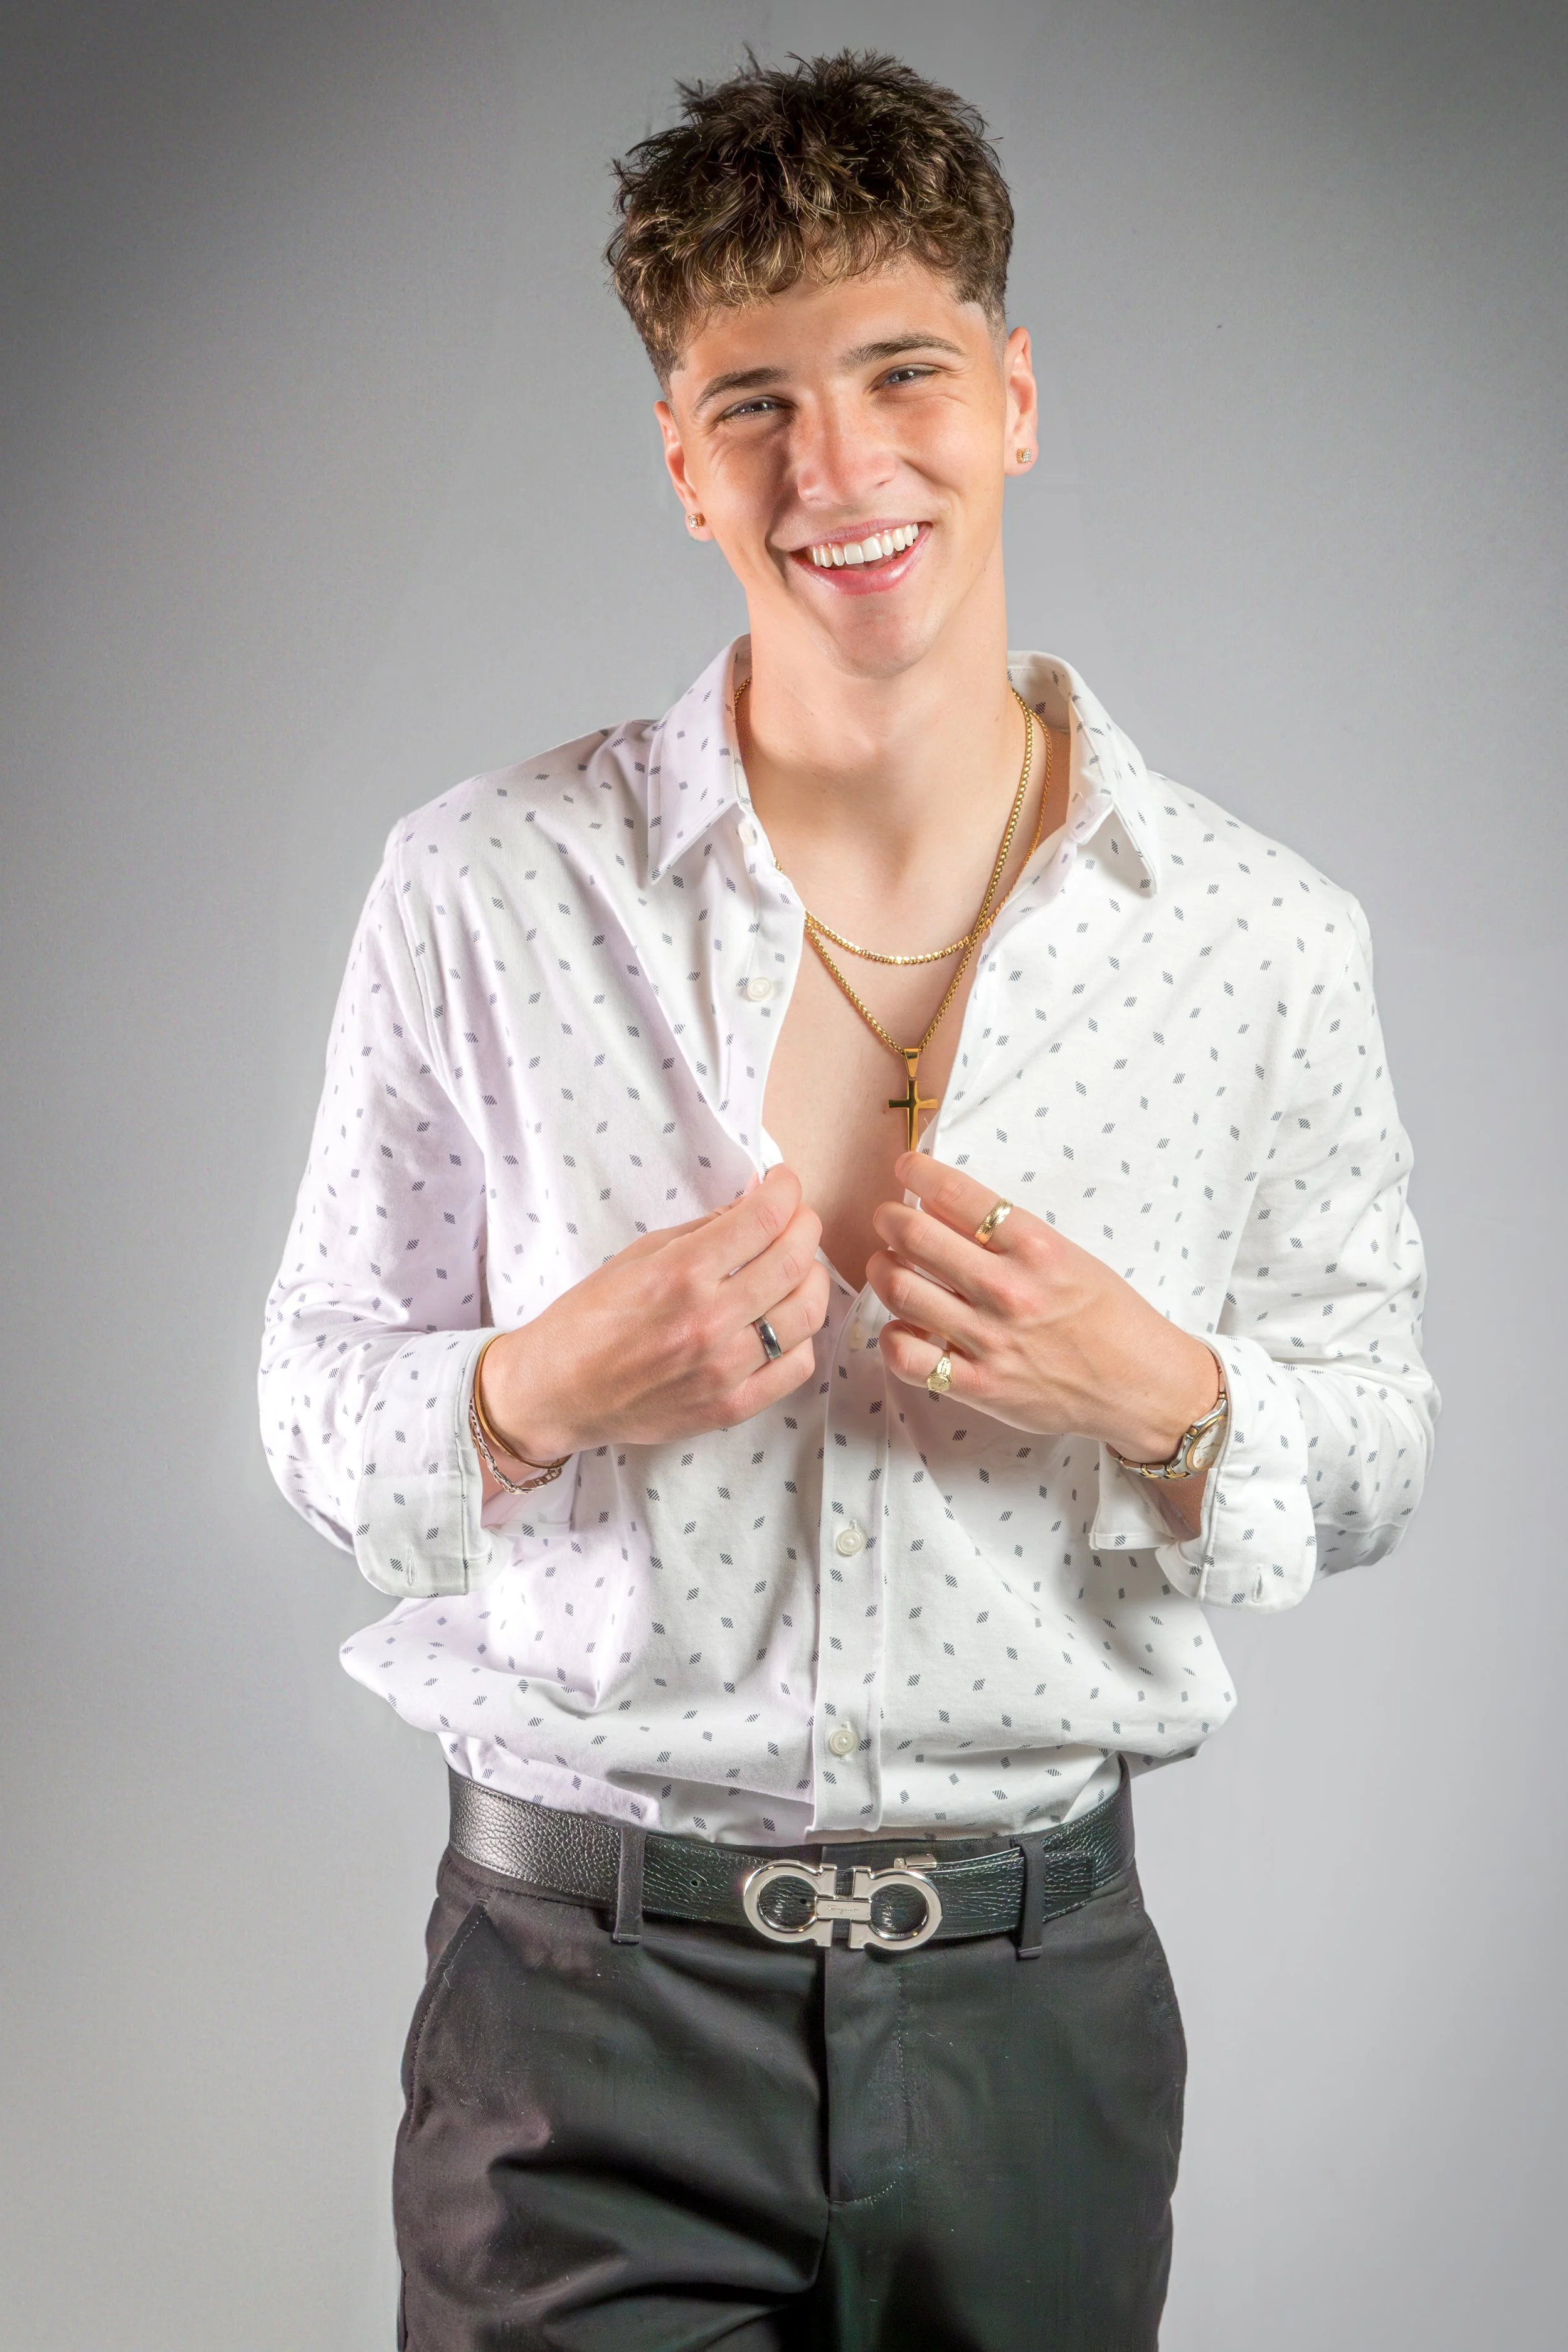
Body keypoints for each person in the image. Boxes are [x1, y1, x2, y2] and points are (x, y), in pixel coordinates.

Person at [260, 49, 1435, 2351]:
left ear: (1011, 398)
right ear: (678, 460)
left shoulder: (1258, 939)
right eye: (751, 401)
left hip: (1035, 2008)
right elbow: (314, 1404)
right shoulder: (485, 888)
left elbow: (1379, 1435)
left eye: (897, 371)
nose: (838, 466)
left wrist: (1168, 1393)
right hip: (580, 2005)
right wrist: (530, 1386)